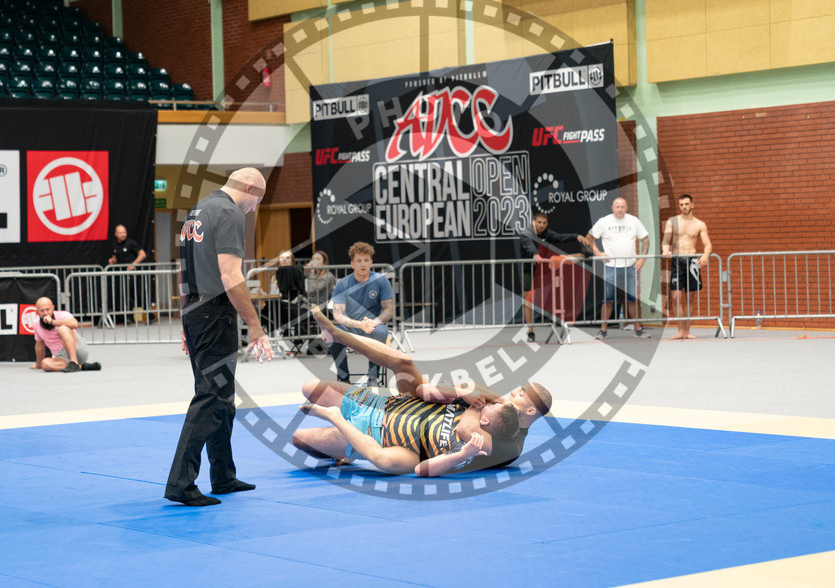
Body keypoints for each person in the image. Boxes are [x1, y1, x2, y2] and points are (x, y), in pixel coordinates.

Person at [294, 306, 552, 477]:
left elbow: (464, 431)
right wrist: (469, 395)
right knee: (401, 364)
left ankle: (345, 446)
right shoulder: (495, 404)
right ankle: (338, 335)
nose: (511, 394)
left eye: (519, 393)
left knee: (300, 439)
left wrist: (478, 403)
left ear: (530, 410)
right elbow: (431, 389)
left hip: (401, 439)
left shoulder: (512, 445)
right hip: (405, 405)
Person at [165, 167, 274, 507]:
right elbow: (230, 275)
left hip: (196, 310)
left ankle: (223, 475)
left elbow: (184, 269)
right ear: (247, 186)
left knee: (222, 398)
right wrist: (254, 324)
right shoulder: (228, 212)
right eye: (257, 200)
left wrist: (186, 320)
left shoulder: (196, 211)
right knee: (211, 397)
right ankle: (181, 483)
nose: (255, 209)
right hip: (215, 314)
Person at [580, 197, 652, 339]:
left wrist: (642, 258)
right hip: (611, 268)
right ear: (612, 208)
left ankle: (638, 330)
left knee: (632, 300)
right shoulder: (604, 221)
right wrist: (598, 253)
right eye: (617, 206)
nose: (620, 209)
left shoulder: (634, 221)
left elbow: (646, 240)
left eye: (622, 206)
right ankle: (603, 330)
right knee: (608, 300)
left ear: (626, 208)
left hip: (630, 268)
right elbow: (589, 238)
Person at [328, 242, 394, 385]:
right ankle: (343, 378)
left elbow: (389, 309)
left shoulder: (381, 281)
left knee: (381, 332)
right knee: (333, 333)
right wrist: (359, 324)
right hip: (351, 326)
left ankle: (373, 377)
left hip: (373, 325)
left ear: (371, 262)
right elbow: (337, 315)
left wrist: (374, 322)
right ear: (352, 264)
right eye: (359, 261)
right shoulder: (343, 284)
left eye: (366, 260)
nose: (363, 264)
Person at [518, 211, 588, 342]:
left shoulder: (546, 233)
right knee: (528, 302)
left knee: (557, 260)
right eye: (539, 222)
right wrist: (536, 256)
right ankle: (531, 332)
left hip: (545, 268)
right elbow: (530, 249)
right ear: (534, 222)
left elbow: (560, 237)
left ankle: (582, 255)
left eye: (544, 223)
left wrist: (576, 236)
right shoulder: (526, 235)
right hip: (530, 270)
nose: (541, 225)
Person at [662, 194, 713, 340]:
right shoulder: (672, 221)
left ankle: (687, 331)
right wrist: (665, 249)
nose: (684, 207)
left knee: (690, 297)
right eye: (681, 204)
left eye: (686, 204)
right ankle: (680, 330)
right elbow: (666, 240)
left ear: (692, 205)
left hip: (692, 262)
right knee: (675, 296)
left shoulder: (699, 224)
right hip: (677, 260)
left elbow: (707, 244)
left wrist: (705, 255)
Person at [29, 297, 100, 372]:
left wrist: (52, 322)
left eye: (47, 309)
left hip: (77, 349)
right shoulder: (36, 323)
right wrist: (38, 364)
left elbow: (74, 324)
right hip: (61, 357)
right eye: (42, 311)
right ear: (37, 312)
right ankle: (81, 367)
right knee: (45, 364)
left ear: (53, 308)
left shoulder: (63, 315)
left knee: (62, 329)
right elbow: (40, 345)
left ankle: (74, 362)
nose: (45, 313)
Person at [106, 224, 148, 324]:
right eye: (120, 233)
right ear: (116, 234)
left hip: (133, 274)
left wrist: (133, 264)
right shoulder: (115, 245)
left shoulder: (131, 243)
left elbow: (142, 254)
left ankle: (149, 314)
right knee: (125, 294)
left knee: (136, 294)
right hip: (123, 274)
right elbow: (115, 257)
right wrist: (112, 261)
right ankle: (129, 316)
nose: (122, 235)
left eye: (124, 232)